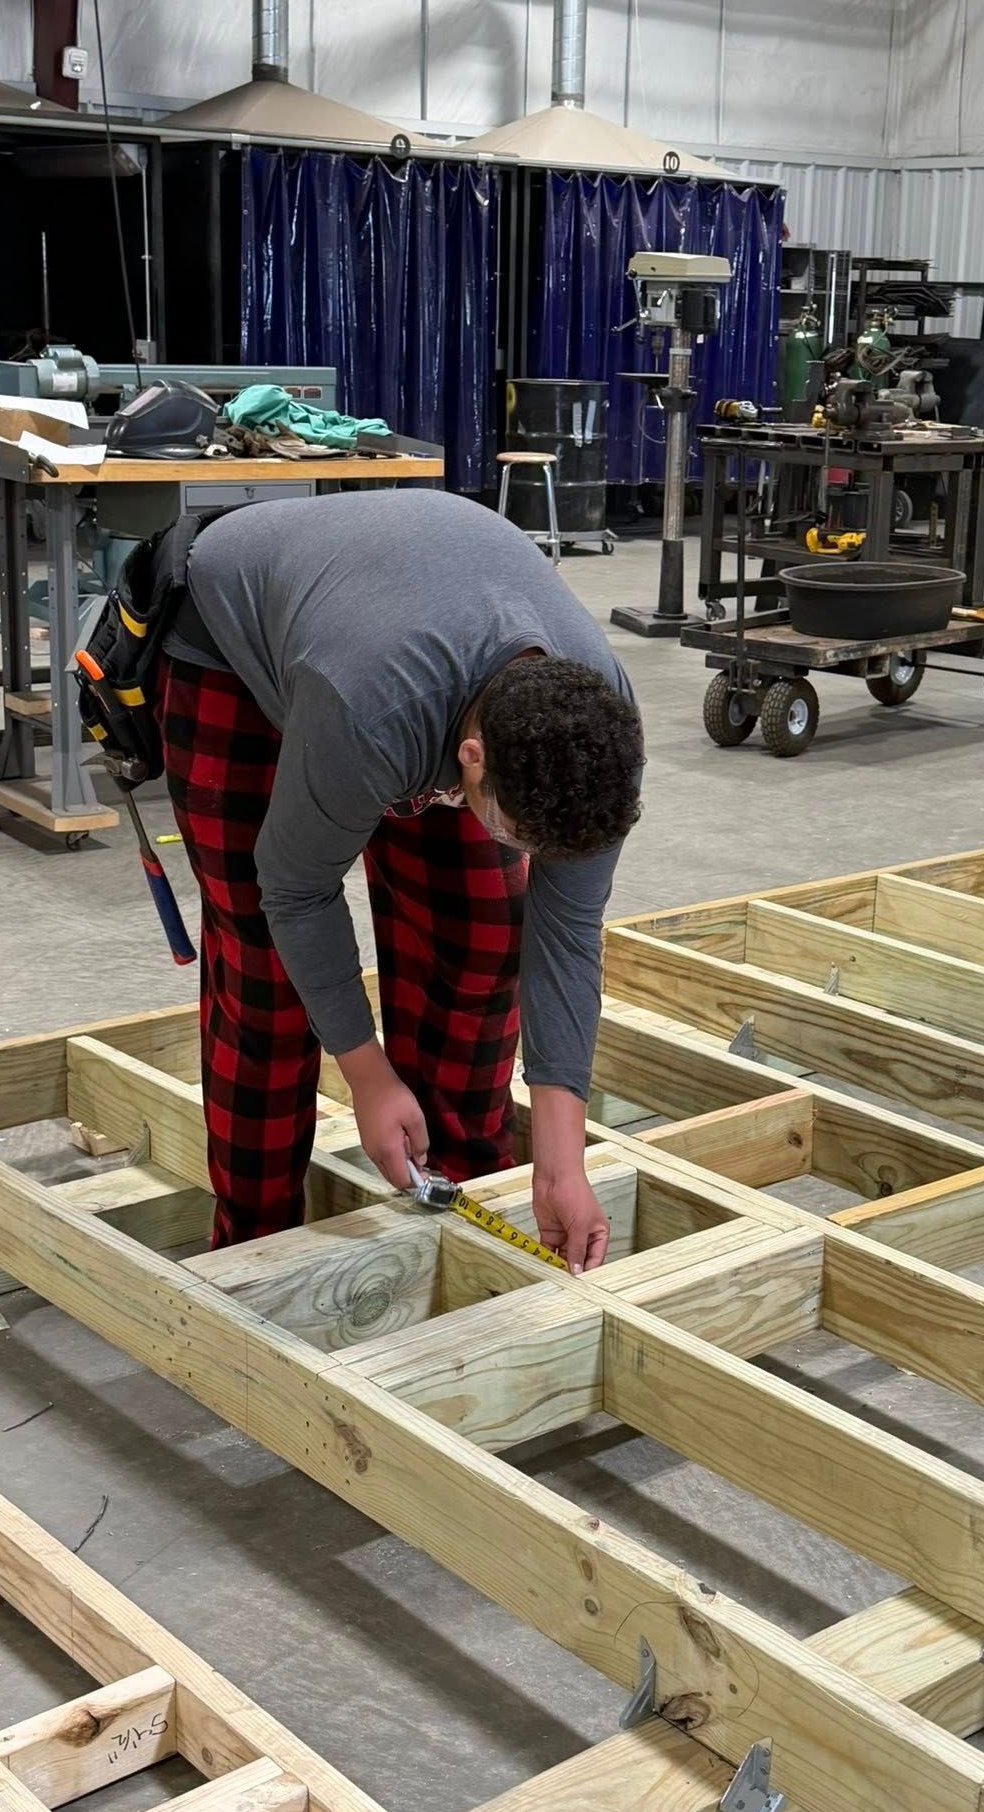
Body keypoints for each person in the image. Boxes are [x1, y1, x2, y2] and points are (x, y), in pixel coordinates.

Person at [154, 487, 643, 1270]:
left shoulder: (597, 728)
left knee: (481, 938)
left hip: (403, 623)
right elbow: (295, 889)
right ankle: (257, 1248)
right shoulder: (373, 712)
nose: (520, 850)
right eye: (512, 830)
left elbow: (567, 936)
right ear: (472, 761)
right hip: (234, 643)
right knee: (270, 979)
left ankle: (465, 1195)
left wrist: (561, 1160)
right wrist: (367, 1075)